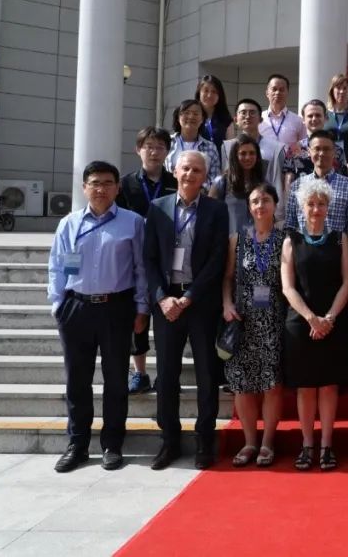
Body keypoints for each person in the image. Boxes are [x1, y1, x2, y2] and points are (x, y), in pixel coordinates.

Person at [48, 161, 148, 473]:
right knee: (77, 380)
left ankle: (112, 444)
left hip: (116, 308)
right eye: (94, 183)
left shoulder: (132, 222)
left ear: (117, 188)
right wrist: (58, 305)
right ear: (84, 188)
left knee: (116, 380)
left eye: (107, 183)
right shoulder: (69, 223)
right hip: (76, 308)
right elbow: (57, 266)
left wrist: (142, 308)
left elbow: (141, 268)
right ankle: (77, 444)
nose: (101, 189)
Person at [143, 151, 230, 470]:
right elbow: (149, 258)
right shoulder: (158, 208)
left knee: (207, 374)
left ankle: (205, 439)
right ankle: (170, 440)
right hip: (166, 304)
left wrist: (190, 297)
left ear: (205, 176)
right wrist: (162, 298)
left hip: (201, 303)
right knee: (167, 375)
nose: (190, 174)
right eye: (185, 169)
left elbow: (218, 258)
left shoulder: (216, 210)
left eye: (197, 170)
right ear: (174, 171)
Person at [282, 178, 348, 471]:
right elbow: (288, 287)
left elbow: (347, 282)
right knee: (305, 388)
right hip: (301, 324)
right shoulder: (292, 240)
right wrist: (311, 318)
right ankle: (307, 445)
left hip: (333, 321)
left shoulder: (340, 239)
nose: (316, 209)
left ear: (329, 208)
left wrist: (329, 318)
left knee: (328, 386)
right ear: (302, 207)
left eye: (321, 204)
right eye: (311, 204)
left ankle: (326, 445)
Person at [221, 183, 288, 468]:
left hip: (273, 320)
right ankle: (249, 442)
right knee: (242, 384)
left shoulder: (285, 239)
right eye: (255, 201)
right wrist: (227, 304)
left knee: (272, 385)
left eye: (266, 200)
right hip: (242, 320)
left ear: (275, 204)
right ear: (249, 207)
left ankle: (268, 442)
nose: (260, 206)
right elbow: (227, 277)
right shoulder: (238, 239)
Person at [117, 127, 177, 396]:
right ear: (138, 150)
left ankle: (168, 375)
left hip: (169, 259)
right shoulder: (125, 184)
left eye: (160, 147)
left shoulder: (176, 181)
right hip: (134, 258)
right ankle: (139, 373)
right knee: (136, 317)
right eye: (149, 146)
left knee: (168, 321)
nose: (154, 152)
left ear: (167, 152)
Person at [284, 130, 348, 234]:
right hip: (303, 243)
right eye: (317, 149)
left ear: (334, 152)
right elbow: (290, 225)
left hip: (338, 244)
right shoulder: (297, 186)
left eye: (326, 149)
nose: (321, 153)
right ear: (309, 152)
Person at [222, 99, 288, 205]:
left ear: (261, 119)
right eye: (243, 113)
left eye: (252, 112)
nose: (248, 116)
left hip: (263, 205)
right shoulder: (226, 147)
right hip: (234, 206)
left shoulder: (276, 148)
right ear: (236, 119)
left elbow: (278, 183)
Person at [209, 134, 265, 235]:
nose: (248, 157)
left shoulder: (263, 184)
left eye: (252, 153)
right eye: (243, 153)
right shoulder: (222, 182)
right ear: (235, 156)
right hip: (230, 241)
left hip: (256, 241)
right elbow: (211, 217)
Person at [284, 99, 348, 186]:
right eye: (310, 116)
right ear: (303, 120)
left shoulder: (337, 150)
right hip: (301, 194)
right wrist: (287, 194)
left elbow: (343, 179)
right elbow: (288, 178)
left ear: (325, 118)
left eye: (318, 115)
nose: (314, 119)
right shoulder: (294, 149)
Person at [166, 99, 221, 189]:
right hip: (169, 192)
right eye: (186, 113)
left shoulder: (210, 147)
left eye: (195, 114)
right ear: (178, 117)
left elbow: (214, 179)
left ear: (202, 119)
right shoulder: (167, 142)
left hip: (200, 194)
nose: (191, 116)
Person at [260, 73, 306, 155]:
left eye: (281, 90)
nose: (277, 93)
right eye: (274, 89)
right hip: (263, 162)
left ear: (287, 93)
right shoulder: (258, 119)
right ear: (267, 93)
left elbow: (303, 146)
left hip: (289, 162)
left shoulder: (298, 121)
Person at [196, 74, 233, 148]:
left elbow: (230, 147)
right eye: (206, 91)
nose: (209, 95)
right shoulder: (192, 116)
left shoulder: (226, 119)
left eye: (214, 91)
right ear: (199, 93)